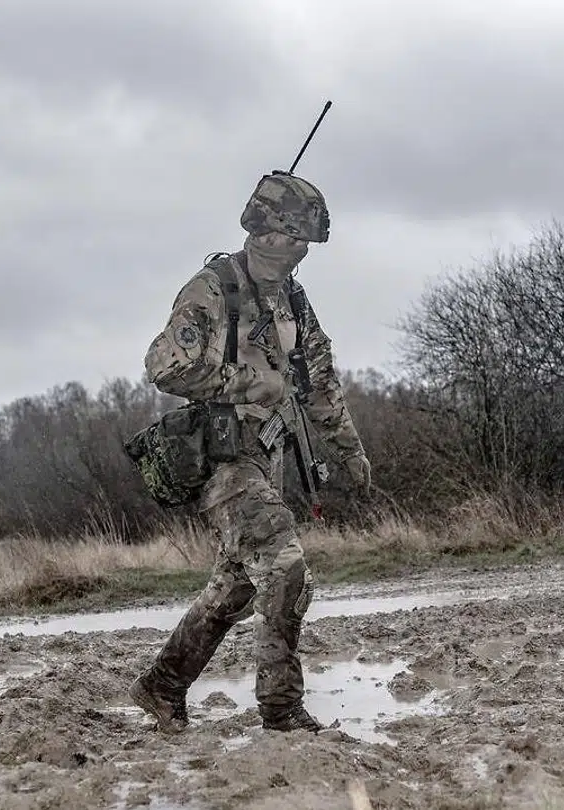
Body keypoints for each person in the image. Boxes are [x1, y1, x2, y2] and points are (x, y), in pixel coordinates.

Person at [129, 171, 372, 733]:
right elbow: (162, 366)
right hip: (222, 460)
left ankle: (161, 687)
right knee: (286, 568)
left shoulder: (293, 299)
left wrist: (350, 453)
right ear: (267, 233)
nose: (299, 253)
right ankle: (281, 709)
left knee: (234, 587)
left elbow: (319, 383)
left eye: (306, 245)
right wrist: (243, 381)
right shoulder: (212, 288)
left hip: (268, 460)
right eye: (294, 240)